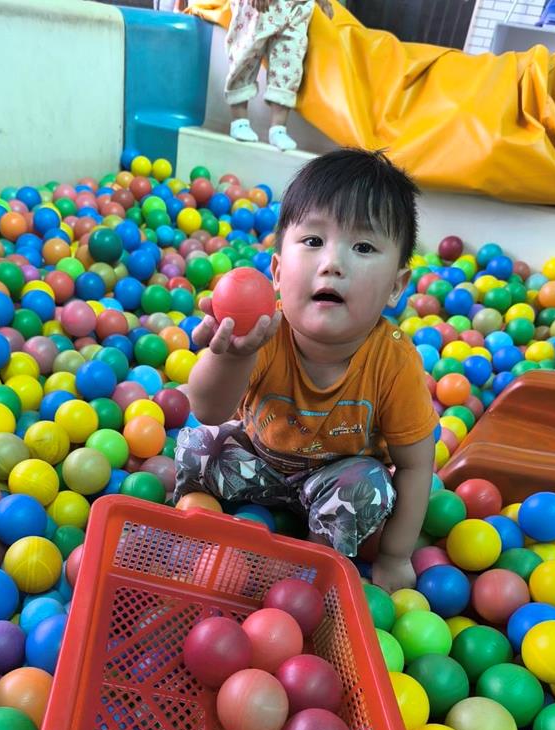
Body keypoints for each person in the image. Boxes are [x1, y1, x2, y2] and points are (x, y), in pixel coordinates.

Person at [174, 149, 439, 594]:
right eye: (313, 241)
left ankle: (313, 569)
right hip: (259, 466)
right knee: (197, 445)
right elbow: (208, 409)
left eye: (363, 247)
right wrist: (231, 356)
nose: (332, 263)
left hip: (333, 487)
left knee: (367, 486)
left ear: (396, 286)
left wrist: (395, 556)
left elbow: (415, 465)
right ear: (277, 272)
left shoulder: (394, 362)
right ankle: (196, 528)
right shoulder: (265, 331)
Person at [225, 0, 333, 151]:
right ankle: (239, 121)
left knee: (289, 62)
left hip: (296, 6)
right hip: (257, 8)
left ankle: (278, 129)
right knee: (245, 53)